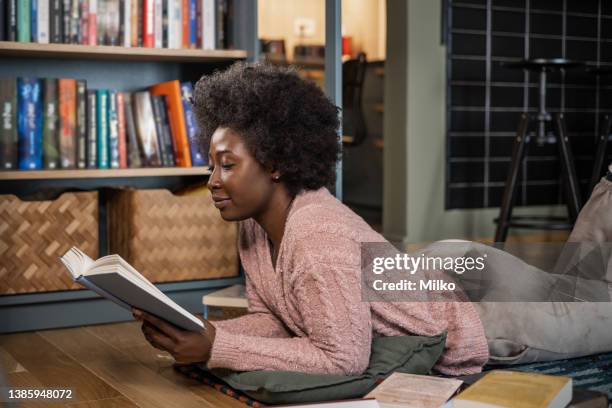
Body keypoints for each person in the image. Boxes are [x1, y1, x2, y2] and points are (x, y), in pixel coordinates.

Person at [133, 62, 489, 376]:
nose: (212, 181)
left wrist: (217, 348)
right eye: (212, 165)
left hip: (483, 327)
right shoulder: (252, 225)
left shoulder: (317, 235)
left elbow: (342, 358)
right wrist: (204, 331)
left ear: (275, 163)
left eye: (227, 165)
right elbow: (275, 320)